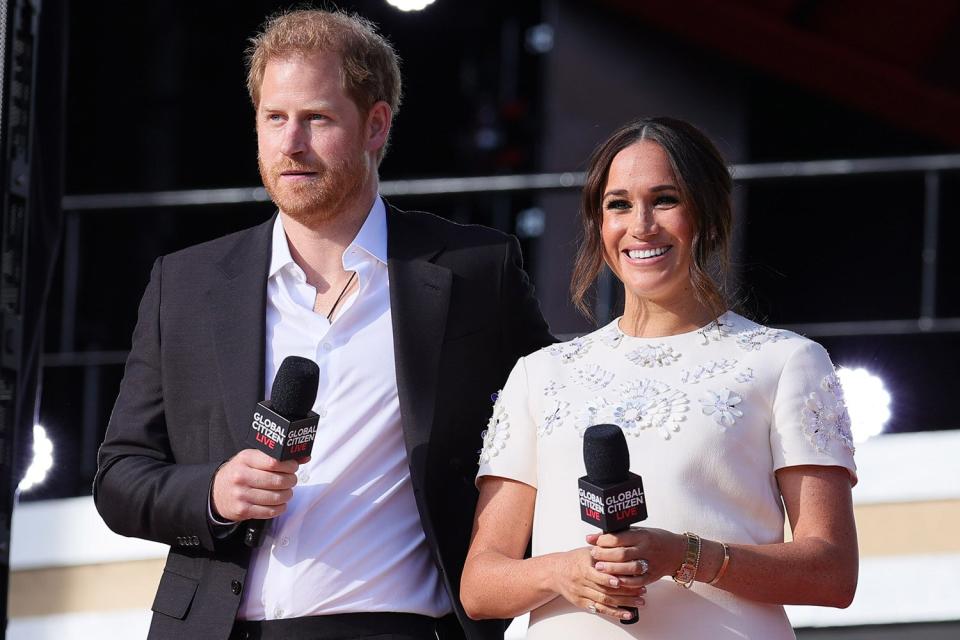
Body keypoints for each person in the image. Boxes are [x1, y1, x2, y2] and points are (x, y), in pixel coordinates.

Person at [94, 9, 552, 640]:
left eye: (316, 118)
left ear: (376, 125)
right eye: (274, 118)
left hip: (404, 628)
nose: (291, 144)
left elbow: (554, 419)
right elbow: (120, 475)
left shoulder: (475, 272)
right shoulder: (189, 283)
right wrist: (214, 492)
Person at [460, 117, 858, 639]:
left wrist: (684, 554)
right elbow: (480, 585)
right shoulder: (541, 375)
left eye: (665, 199)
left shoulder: (785, 362)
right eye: (619, 204)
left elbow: (832, 573)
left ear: (708, 215)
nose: (641, 225)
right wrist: (562, 571)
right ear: (598, 224)